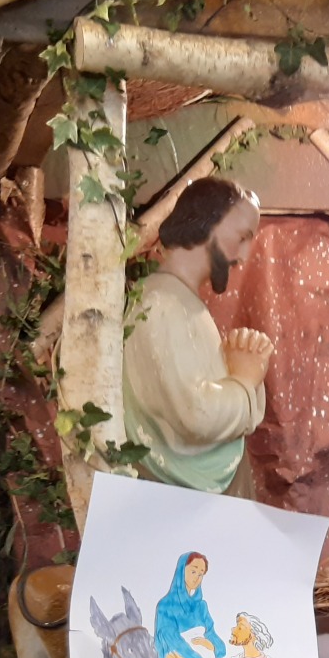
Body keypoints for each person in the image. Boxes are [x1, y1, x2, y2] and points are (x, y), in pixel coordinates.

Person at [124, 177, 275, 494]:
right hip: (188, 497)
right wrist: (244, 380)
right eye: (242, 237)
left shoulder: (180, 301)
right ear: (207, 221)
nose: (244, 256)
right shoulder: (161, 304)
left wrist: (239, 367)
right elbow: (195, 413)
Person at [153, 552, 223, 658]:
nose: (197, 578)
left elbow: (214, 636)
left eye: (201, 574)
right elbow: (174, 641)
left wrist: (213, 646)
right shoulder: (165, 606)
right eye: (193, 571)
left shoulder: (201, 606)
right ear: (181, 571)